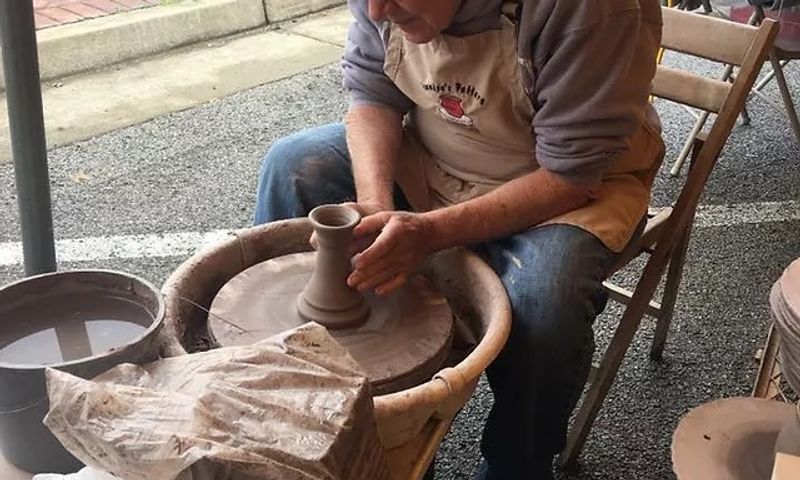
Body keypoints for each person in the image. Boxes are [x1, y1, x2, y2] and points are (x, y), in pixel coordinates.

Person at [254, 0, 664, 477]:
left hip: (561, 181)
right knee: (292, 165)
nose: (377, 10)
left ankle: (518, 461)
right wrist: (376, 206)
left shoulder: (587, 9)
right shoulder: (381, 5)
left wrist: (429, 233)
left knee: (545, 299)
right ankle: (309, 408)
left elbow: (571, 175)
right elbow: (372, 94)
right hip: (441, 147)